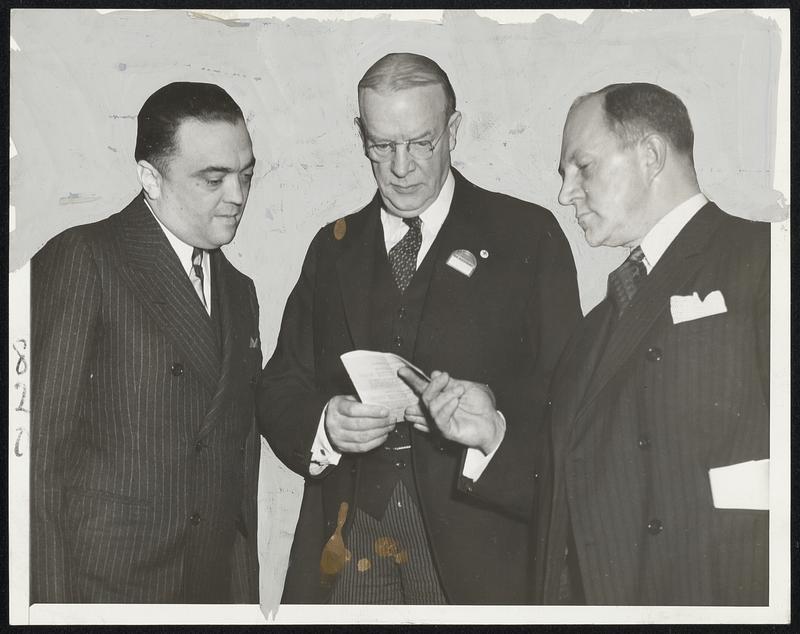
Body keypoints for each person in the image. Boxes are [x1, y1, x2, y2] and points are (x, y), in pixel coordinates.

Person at [402, 82, 770, 605]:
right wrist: (492, 435)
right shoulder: (596, 327)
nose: (565, 192)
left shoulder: (766, 259)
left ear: (650, 155)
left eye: (584, 167)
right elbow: (573, 494)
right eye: (564, 174)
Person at [258, 52, 580, 605]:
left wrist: (491, 423)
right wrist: (325, 427)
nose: (401, 166)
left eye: (421, 142)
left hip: (480, 554)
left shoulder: (528, 236)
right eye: (382, 146)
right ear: (361, 136)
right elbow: (280, 386)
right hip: (348, 545)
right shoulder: (332, 249)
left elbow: (569, 403)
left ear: (454, 130)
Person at [30, 82, 262, 603]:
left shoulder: (240, 292)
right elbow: (33, 465)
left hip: (207, 595)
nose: (238, 196)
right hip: (106, 593)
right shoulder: (84, 258)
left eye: (246, 174)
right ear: (149, 178)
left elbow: (238, 476)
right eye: (213, 179)